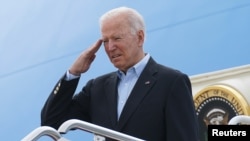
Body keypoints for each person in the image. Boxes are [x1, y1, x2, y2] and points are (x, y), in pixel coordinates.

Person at [41, 6, 199, 141]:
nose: (110, 47)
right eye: (105, 41)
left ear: (140, 37)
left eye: (117, 38)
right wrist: (73, 73)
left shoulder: (171, 82)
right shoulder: (97, 88)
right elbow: (51, 122)